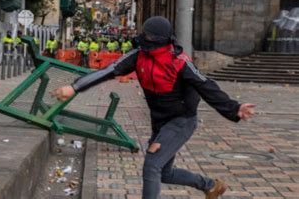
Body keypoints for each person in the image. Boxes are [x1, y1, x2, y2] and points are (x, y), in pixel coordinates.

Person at [52, 16, 256, 199]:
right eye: (145, 38)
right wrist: (74, 87)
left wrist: (233, 108)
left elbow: (205, 85)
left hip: (182, 120)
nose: (147, 44)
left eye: (152, 40)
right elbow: (109, 70)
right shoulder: (138, 55)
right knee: (164, 172)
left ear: (165, 40)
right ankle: (210, 186)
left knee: (151, 165)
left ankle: (209, 185)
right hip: (160, 121)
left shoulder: (179, 60)